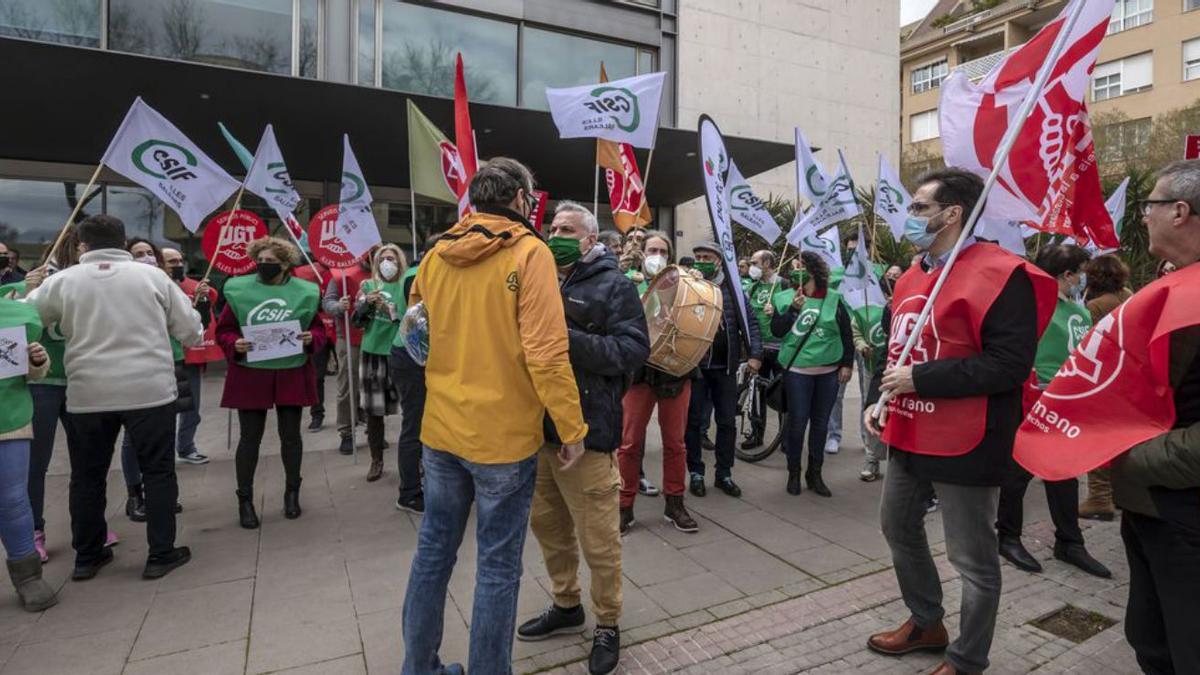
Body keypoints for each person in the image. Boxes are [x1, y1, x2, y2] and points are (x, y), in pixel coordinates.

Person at [863, 169, 1056, 675]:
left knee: (972, 557)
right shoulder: (911, 275)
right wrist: (879, 398)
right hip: (908, 427)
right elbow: (899, 349)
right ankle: (926, 621)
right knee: (897, 527)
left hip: (968, 439)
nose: (909, 218)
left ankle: (968, 659)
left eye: (919, 208)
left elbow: (1009, 365)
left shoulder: (1003, 273)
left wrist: (921, 378)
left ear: (952, 214)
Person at [401, 158, 588, 675]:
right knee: (498, 566)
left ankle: (418, 668)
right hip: (504, 440)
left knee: (433, 554)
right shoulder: (531, 253)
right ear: (522, 201)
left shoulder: (436, 255)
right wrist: (571, 429)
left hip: (442, 430)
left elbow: (416, 333)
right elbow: (548, 355)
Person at [26, 214, 203, 581]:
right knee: (157, 471)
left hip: (88, 393)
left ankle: (87, 557)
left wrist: (52, 319)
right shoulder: (152, 277)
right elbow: (189, 331)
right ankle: (160, 553)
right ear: (123, 244)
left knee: (87, 476)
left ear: (81, 246)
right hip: (149, 390)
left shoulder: (63, 281)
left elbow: (28, 318)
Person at [519, 202, 649, 675]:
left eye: (567, 229)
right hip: (537, 433)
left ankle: (608, 621)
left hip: (589, 435)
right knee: (550, 529)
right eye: (552, 227)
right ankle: (567, 604)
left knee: (598, 540)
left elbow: (632, 351)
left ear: (590, 240)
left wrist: (566, 337)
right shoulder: (537, 278)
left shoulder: (613, 286)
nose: (556, 234)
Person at [1108, 160, 1200, 673]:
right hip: (1149, 506)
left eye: (1151, 207)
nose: (1143, 218)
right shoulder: (1167, 284)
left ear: (1180, 212)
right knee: (1151, 639)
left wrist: (1128, 454)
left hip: (1184, 509)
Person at [995, 244, 1110, 579]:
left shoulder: (1079, 310)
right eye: (1082, 270)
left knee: (1063, 473)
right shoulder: (1029, 305)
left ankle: (1070, 541)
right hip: (1030, 400)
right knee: (1018, 473)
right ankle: (1008, 536)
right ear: (1067, 274)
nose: (1085, 277)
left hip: (1066, 401)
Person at [217, 237, 325, 528]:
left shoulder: (306, 291)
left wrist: (310, 339)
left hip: (290, 371)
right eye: (260, 261)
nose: (264, 266)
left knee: (291, 436)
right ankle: (245, 500)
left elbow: (318, 328)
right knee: (249, 438)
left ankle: (292, 493)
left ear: (286, 263)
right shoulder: (238, 289)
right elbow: (224, 329)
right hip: (252, 373)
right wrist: (234, 343)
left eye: (271, 262)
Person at [618, 232, 699, 535]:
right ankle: (623, 505)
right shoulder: (627, 282)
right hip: (638, 372)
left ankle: (675, 503)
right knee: (628, 443)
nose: (657, 255)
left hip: (674, 370)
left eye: (663, 251)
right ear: (642, 252)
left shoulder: (684, 287)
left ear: (670, 256)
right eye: (652, 249)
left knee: (675, 443)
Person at [769, 252, 853, 496]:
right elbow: (777, 330)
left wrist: (847, 363)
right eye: (794, 266)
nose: (796, 270)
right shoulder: (785, 297)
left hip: (828, 373)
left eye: (801, 265)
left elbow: (846, 333)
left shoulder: (834, 299)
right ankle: (793, 472)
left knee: (820, 424)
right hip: (797, 372)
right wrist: (793, 311)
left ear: (814, 270)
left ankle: (814, 473)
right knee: (797, 423)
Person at [685, 242, 762, 498]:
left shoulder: (735, 288)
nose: (701, 260)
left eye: (707, 256)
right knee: (694, 422)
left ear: (719, 260)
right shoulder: (689, 285)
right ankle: (696, 472)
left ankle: (724, 473)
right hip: (696, 367)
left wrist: (755, 354)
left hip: (725, 367)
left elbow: (750, 322)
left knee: (727, 422)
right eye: (698, 256)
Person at [0, 295, 57, 610]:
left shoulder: (19, 314)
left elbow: (34, 373)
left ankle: (28, 578)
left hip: (8, 419)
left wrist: (36, 360)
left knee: (13, 501)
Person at [1077, 254, 1132, 521]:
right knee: (1120, 438)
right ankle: (1121, 493)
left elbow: (1087, 343)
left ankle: (1099, 497)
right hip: (1128, 375)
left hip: (1103, 376)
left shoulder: (1096, 306)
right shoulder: (1128, 295)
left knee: (1098, 436)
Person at [389, 235, 437, 514]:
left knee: (423, 423)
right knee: (415, 425)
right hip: (413, 357)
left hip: (412, 354)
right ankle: (409, 493)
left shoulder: (413, 273)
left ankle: (427, 482)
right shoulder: (419, 275)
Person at [352, 244, 406, 482]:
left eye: (392, 258)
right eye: (383, 259)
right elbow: (357, 322)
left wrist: (392, 311)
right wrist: (365, 305)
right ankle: (376, 459)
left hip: (398, 351)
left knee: (412, 409)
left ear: (400, 262)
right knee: (374, 411)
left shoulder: (406, 286)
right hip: (373, 351)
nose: (387, 262)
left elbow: (411, 321)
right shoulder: (367, 286)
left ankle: (415, 459)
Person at [162, 246, 216, 465]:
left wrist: (202, 300)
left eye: (179, 260)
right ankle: (162, 453)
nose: (178, 265)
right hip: (159, 358)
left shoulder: (195, 287)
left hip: (188, 358)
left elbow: (203, 322)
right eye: (171, 262)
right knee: (161, 411)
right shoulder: (148, 286)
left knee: (191, 406)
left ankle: (186, 447)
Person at [741, 249, 790, 450]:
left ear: (768, 263)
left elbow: (795, 313)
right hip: (759, 348)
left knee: (783, 393)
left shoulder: (784, 285)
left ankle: (785, 437)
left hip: (781, 348)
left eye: (755, 262)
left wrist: (778, 312)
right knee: (756, 393)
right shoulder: (752, 288)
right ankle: (756, 433)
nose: (752, 266)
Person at [322, 256, 371, 454]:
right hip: (349, 336)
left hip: (376, 336)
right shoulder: (341, 274)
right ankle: (347, 432)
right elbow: (327, 302)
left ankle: (375, 429)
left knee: (374, 385)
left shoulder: (385, 272)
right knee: (348, 385)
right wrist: (338, 306)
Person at [293, 256, 334, 431]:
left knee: (351, 374)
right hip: (317, 328)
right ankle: (317, 414)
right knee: (317, 376)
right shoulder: (302, 272)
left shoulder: (345, 269)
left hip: (342, 327)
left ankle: (358, 411)